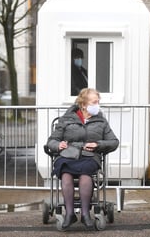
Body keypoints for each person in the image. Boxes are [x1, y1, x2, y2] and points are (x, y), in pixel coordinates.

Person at [46, 88, 119, 229]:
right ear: (83, 104)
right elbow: (51, 140)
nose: (97, 105)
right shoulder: (66, 119)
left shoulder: (101, 121)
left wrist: (97, 144)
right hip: (68, 154)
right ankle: (70, 214)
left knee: (86, 174)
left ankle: (85, 214)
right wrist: (58, 145)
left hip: (90, 155)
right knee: (65, 174)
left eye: (98, 102)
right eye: (94, 102)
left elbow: (114, 142)